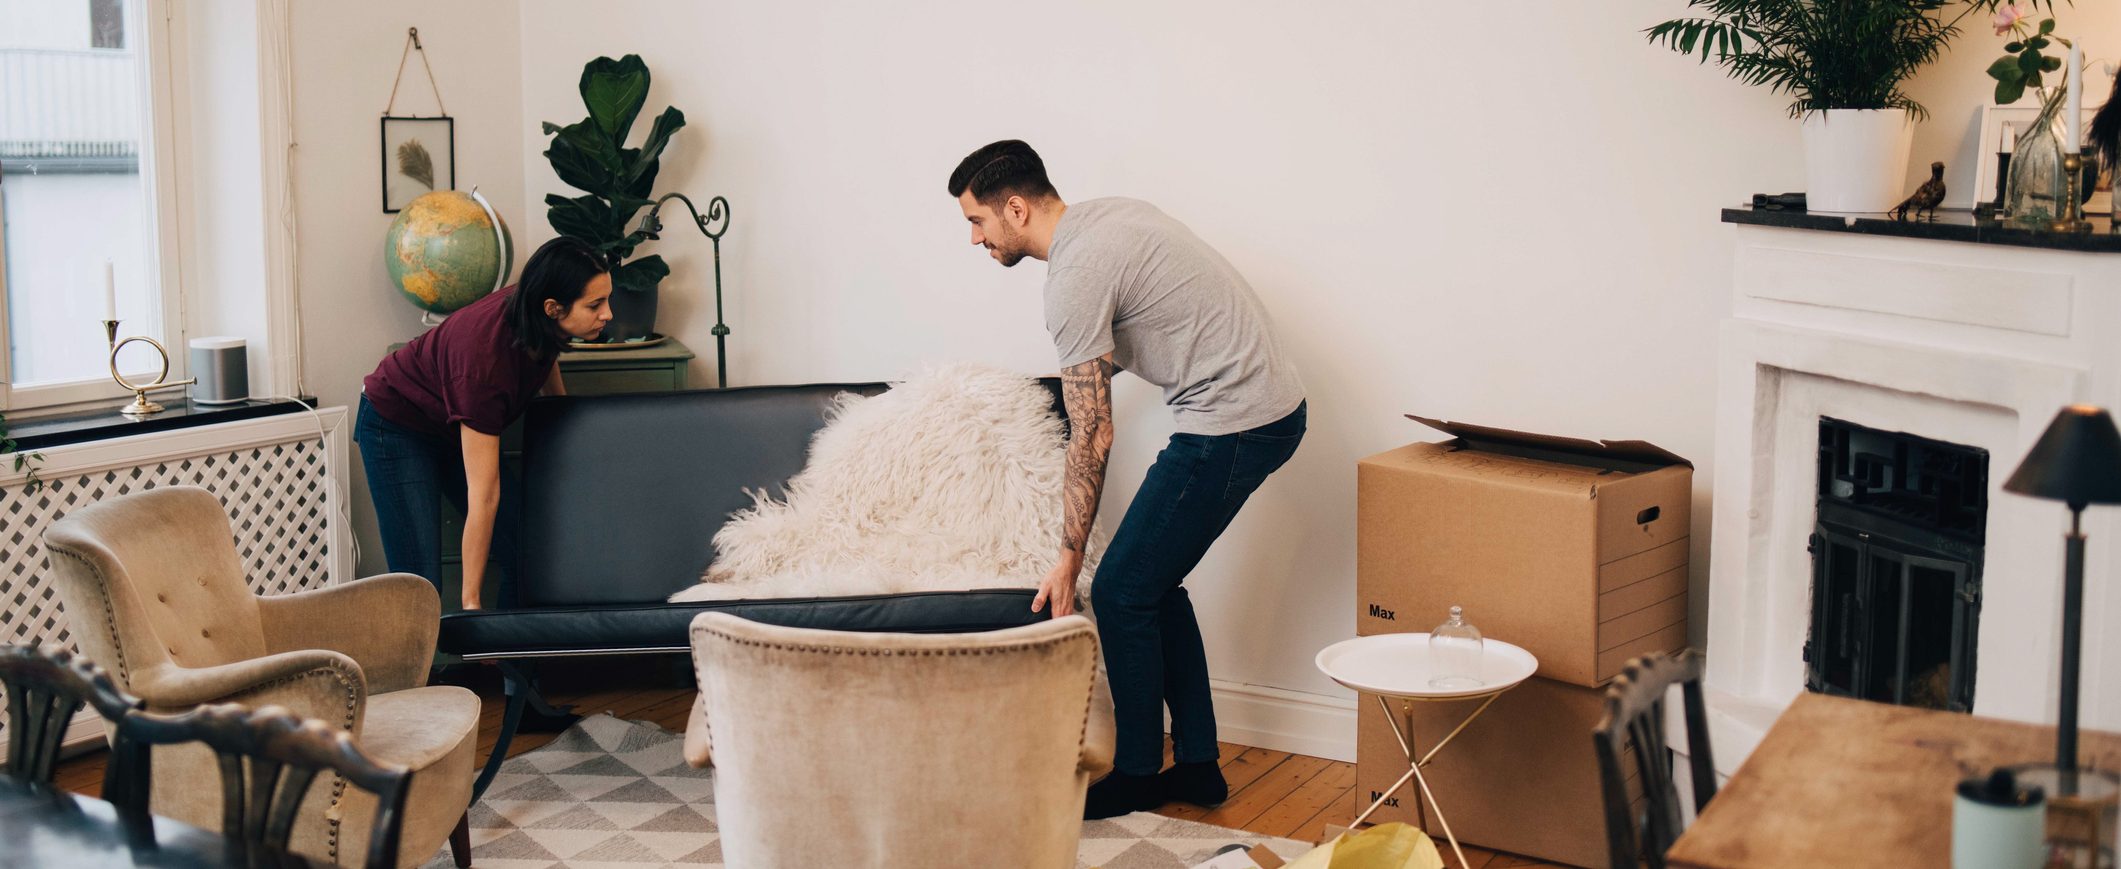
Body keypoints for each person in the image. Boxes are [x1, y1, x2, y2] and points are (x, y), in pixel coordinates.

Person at [948, 140, 1306, 819]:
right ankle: (1197, 767)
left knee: (1118, 591)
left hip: (1234, 423)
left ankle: (1139, 773)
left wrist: (1067, 555)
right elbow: (1110, 353)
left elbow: (1094, 432)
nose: (973, 237)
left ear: (1015, 209)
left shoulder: (1073, 277)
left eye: (976, 221)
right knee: (1152, 585)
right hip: (1265, 408)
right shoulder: (1109, 217)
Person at [355, 236, 613, 611]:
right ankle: (418, 672)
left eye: (607, 299)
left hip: (452, 419)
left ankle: (516, 666)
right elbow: (485, 496)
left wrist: (559, 408)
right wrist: (472, 602)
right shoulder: (483, 367)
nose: (608, 314)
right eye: (596, 305)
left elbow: (545, 352)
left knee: (525, 550)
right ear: (553, 308)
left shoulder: (537, 312)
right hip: (396, 427)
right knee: (418, 581)